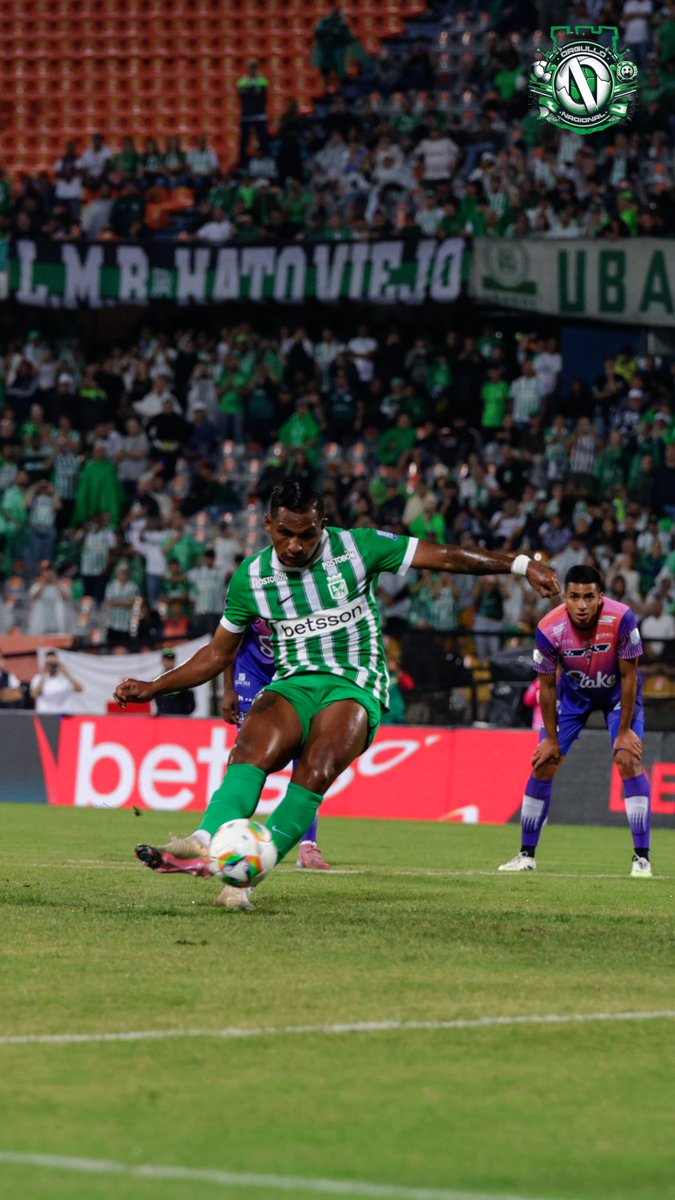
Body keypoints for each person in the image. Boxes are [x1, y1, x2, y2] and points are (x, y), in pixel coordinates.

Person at [115, 481, 559, 903]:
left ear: (322, 525)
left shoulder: (357, 548)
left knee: (317, 768)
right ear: (268, 525)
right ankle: (203, 840)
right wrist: (154, 688)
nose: (295, 545)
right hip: (292, 682)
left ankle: (243, 882)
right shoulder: (251, 578)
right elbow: (217, 654)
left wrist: (519, 565)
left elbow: (442, 556)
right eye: (285, 534)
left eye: (307, 535)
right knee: (250, 749)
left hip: (355, 683)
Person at [499, 566, 653, 878]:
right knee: (544, 762)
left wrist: (623, 731)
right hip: (573, 696)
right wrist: (551, 740)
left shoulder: (622, 618)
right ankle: (526, 855)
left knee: (627, 759)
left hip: (617, 696)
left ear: (601, 598)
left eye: (588, 597)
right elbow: (546, 686)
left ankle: (642, 859)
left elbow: (629, 677)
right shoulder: (547, 627)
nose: (581, 604)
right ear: (565, 597)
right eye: (574, 597)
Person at [30, 649, 83, 714]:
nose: (52, 666)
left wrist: (67, 674)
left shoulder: (65, 679)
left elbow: (80, 689)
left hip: (64, 715)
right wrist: (43, 676)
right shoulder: (38, 678)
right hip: (45, 715)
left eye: (54, 663)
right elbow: (34, 694)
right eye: (49, 663)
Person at [154, 649, 196, 716]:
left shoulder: (184, 679)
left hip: (180, 720)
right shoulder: (156, 680)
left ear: (174, 661)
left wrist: (183, 716)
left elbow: (191, 704)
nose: (169, 662)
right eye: (167, 659)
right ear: (162, 661)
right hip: (163, 720)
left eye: (171, 659)